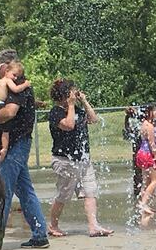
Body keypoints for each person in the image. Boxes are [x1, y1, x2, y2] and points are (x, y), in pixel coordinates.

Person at [0, 49, 49, 249]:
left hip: (16, 143)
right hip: (16, 142)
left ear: (8, 65)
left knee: (3, 189)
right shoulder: (18, 85)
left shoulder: (17, 83)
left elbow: (10, 112)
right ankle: (39, 235)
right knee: (25, 190)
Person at [46, 79, 113, 238]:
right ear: (64, 94)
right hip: (64, 160)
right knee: (64, 194)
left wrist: (84, 101)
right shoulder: (56, 112)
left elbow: (93, 119)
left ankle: (93, 226)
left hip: (83, 159)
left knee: (90, 191)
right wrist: (70, 105)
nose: (75, 93)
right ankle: (53, 225)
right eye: (72, 91)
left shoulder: (77, 109)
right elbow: (69, 126)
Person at [0, 61, 31, 162]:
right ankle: (4, 149)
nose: (15, 78)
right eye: (14, 75)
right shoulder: (7, 80)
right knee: (5, 131)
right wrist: (25, 85)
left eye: (17, 76)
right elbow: (15, 89)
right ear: (7, 71)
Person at [134, 105, 156, 225]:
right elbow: (152, 144)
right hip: (148, 155)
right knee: (155, 180)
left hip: (141, 153)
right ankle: (143, 204)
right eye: (155, 111)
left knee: (146, 181)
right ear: (149, 112)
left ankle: (143, 202)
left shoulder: (143, 124)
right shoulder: (149, 126)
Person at [123, 106, 143, 198]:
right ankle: (137, 191)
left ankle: (142, 191)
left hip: (145, 153)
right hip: (137, 153)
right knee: (137, 173)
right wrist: (127, 117)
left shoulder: (145, 126)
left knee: (143, 173)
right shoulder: (135, 132)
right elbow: (128, 128)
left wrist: (135, 113)